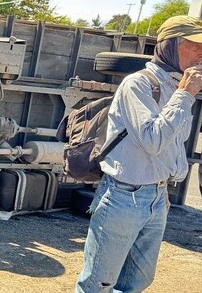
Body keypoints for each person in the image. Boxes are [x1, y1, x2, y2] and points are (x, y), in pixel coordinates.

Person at [76, 15, 202, 292]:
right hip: (123, 196)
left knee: (137, 281)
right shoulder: (138, 84)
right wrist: (185, 96)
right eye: (196, 45)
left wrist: (163, 189)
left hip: (155, 197)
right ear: (171, 46)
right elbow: (154, 140)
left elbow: (173, 145)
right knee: (98, 282)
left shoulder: (176, 86)